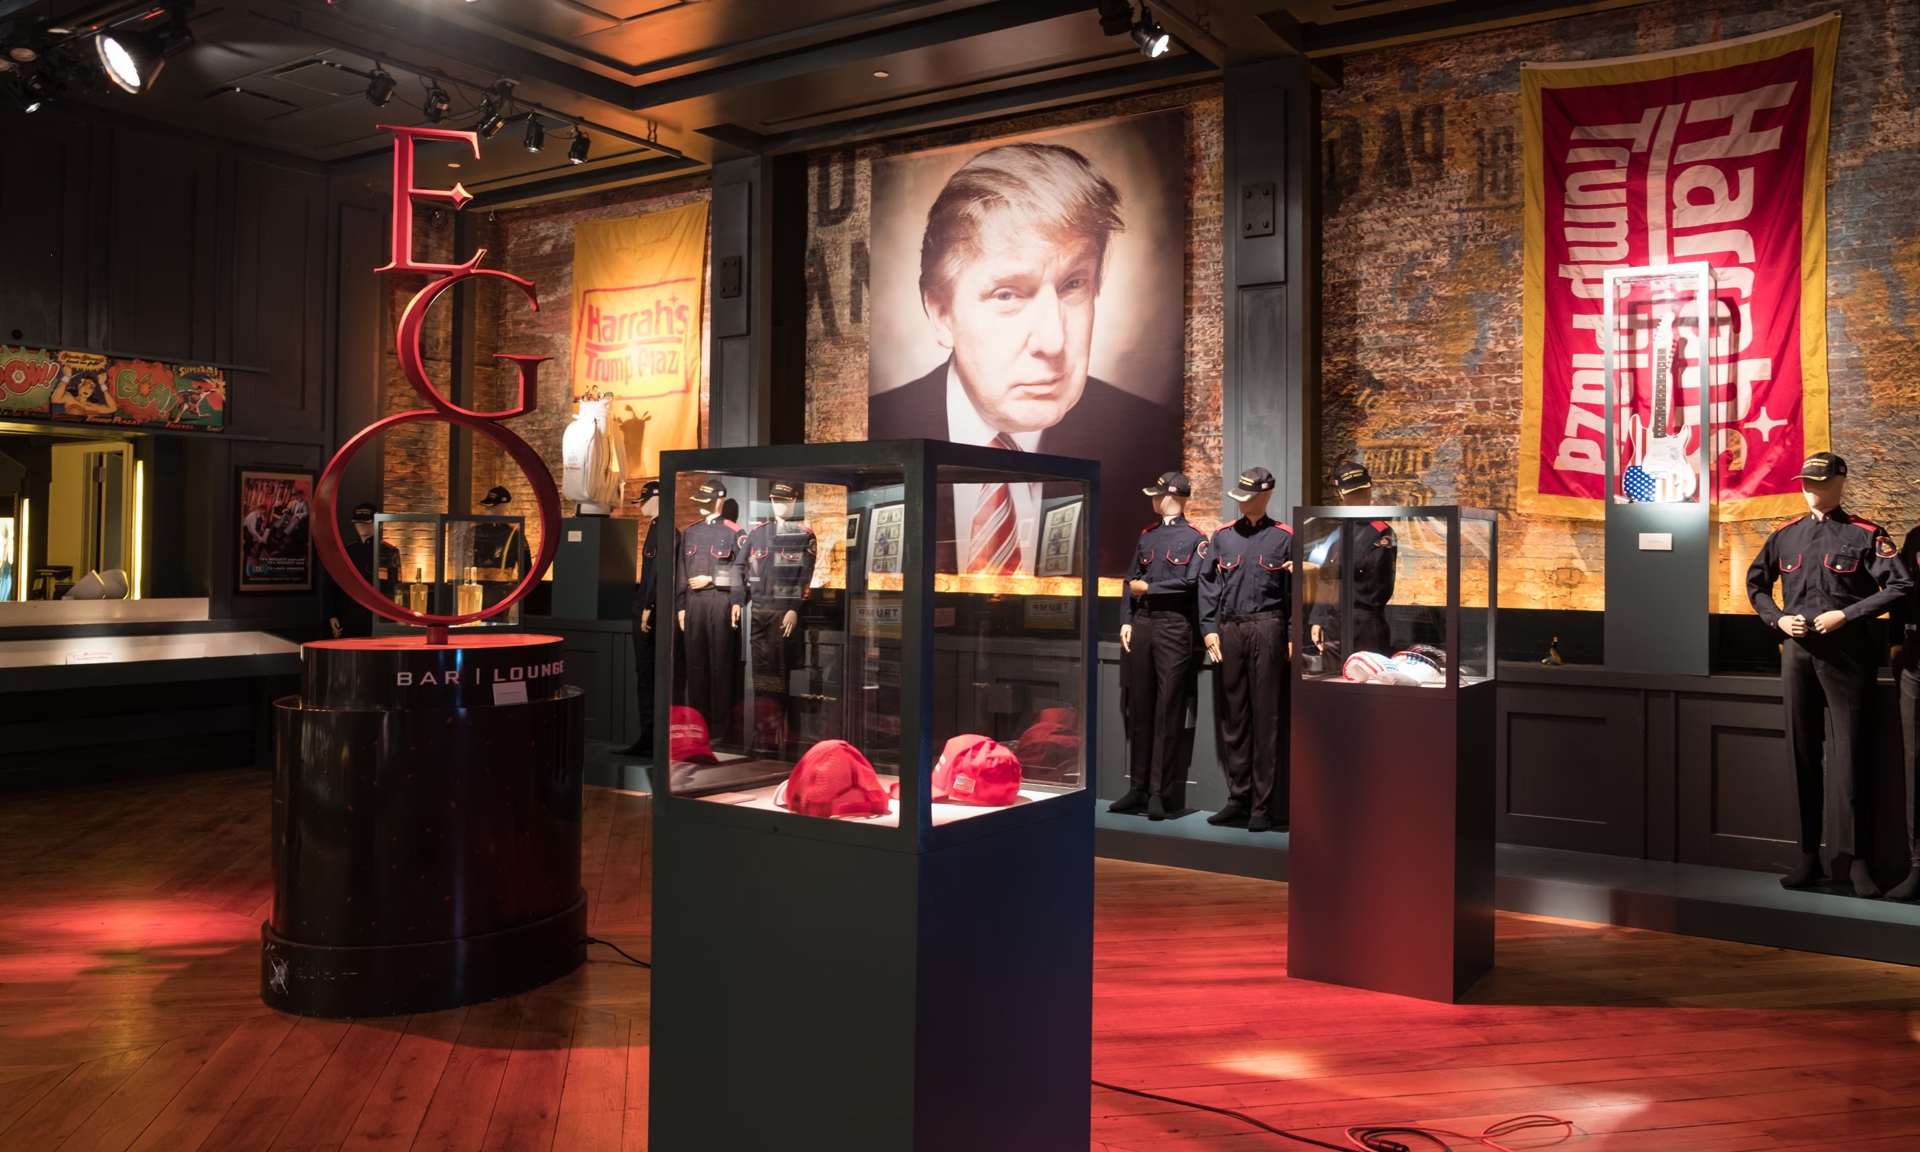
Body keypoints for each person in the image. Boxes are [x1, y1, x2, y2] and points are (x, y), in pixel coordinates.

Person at [866, 141, 1173, 577]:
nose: (1053, 340)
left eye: (1073, 284)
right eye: (1007, 294)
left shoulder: (1155, 442)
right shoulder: (878, 433)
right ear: (941, 313)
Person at [1747, 452, 1912, 897]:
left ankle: (1858, 859)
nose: (1811, 490)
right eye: (1806, 482)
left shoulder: (1865, 534)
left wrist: (1849, 614)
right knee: (1801, 752)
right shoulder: (1785, 535)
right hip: (1797, 654)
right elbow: (1756, 585)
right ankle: (1807, 856)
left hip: (1848, 655)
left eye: (1820, 482)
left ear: (1840, 481)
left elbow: (1901, 585)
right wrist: (1778, 620)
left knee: (1852, 755)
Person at [1200, 467, 1294, 832]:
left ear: (1266, 494)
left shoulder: (1285, 537)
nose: (1242, 502)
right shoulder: (1224, 536)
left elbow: (1295, 592)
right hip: (1231, 630)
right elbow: (1208, 584)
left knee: (1267, 718)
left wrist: (1291, 633)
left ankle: (1262, 806)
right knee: (1234, 718)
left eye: (1250, 495)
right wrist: (1209, 629)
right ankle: (1238, 798)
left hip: (1268, 627)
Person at [1110, 471, 1206, 822]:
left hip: (1174, 626)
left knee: (1168, 710)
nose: (1153, 499)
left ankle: (1159, 793)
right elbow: (1129, 578)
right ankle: (1137, 786)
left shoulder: (1195, 538)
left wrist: (1151, 589)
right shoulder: (1147, 535)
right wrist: (1126, 618)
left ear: (1173, 496)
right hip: (1144, 624)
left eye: (1158, 494)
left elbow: (1192, 582)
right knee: (1140, 707)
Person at [743, 482, 817, 754]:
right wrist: (738, 600)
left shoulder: (804, 535)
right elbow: (742, 566)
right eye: (775, 500)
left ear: (794, 501)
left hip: (782, 614)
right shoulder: (758, 533)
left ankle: (777, 737)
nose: (779, 505)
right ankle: (761, 735)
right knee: (760, 678)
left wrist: (794, 608)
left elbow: (805, 576)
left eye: (785, 500)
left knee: (779, 677)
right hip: (759, 613)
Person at [676, 479, 745, 742]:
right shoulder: (690, 532)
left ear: (719, 500)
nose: (701, 505)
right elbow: (681, 572)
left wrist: (716, 583)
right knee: (695, 666)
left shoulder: (735, 532)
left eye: (706, 500)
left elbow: (742, 571)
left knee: (721, 666)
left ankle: (722, 730)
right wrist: (681, 605)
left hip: (720, 602)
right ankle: (698, 727)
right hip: (694, 603)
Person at [1307, 463, 1395, 659]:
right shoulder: (1338, 533)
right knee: (1332, 675)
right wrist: (1318, 619)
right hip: (1334, 620)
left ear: (1370, 489)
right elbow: (1325, 580)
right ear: (1342, 494)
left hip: (1364, 621)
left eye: (1362, 490)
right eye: (1354, 492)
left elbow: (1367, 569)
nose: (1359, 497)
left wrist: (1317, 568)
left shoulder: (1381, 531)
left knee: (1369, 674)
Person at [1891, 520, 1920, 902]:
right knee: (1915, 764)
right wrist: (1895, 641)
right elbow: (1901, 590)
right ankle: (1918, 865)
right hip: (1915, 661)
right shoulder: (1916, 537)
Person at [623, 480, 661, 758]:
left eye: (644, 501)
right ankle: (647, 736)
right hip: (644, 608)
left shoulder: (664, 531)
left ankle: (651, 738)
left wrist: (649, 607)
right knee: (644, 677)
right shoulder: (655, 528)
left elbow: (658, 574)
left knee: (648, 676)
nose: (641, 507)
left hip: (650, 613)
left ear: (656, 499)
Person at [325, 502, 400, 639]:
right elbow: (333, 585)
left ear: (378, 523)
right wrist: (332, 615)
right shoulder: (347, 551)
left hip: (378, 614)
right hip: (349, 614)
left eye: (366, 523)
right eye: (358, 523)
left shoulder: (388, 551)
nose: (361, 526)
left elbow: (394, 587)